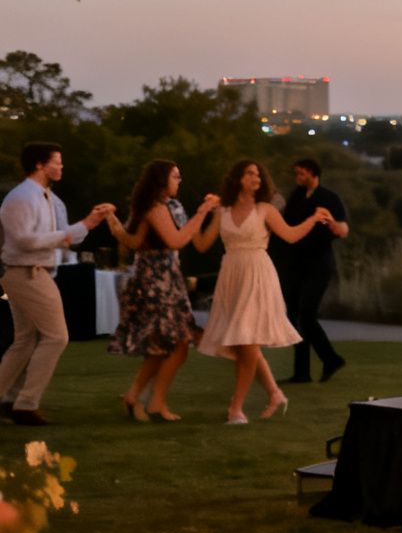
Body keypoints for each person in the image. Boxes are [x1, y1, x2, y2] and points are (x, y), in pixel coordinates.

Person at [197, 160, 328, 424]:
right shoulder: (222, 210)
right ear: (237, 179)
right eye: (249, 173)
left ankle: (236, 408)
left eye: (257, 173)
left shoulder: (265, 209)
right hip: (231, 276)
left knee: (246, 341)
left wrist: (313, 219)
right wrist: (202, 213)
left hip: (257, 274)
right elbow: (201, 244)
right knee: (243, 343)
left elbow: (290, 236)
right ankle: (275, 393)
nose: (255, 177)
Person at [0, 144, 115, 426]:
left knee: (25, 340)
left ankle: (7, 399)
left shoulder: (52, 199)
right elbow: (24, 240)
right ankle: (25, 405)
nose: (62, 167)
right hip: (25, 272)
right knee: (56, 337)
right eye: (57, 162)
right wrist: (80, 226)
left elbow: (68, 237)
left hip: (36, 272)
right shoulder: (21, 197)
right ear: (40, 165)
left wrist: (91, 222)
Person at [104, 161, 221, 422]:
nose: (179, 181)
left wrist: (217, 214)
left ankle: (141, 399)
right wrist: (203, 211)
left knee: (167, 345)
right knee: (175, 343)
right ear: (161, 180)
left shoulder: (173, 206)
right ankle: (150, 401)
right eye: (175, 176)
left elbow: (198, 243)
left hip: (170, 279)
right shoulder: (154, 208)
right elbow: (175, 240)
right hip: (154, 281)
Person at [276, 158, 351, 385]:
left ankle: (331, 359)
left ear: (312, 173)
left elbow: (343, 230)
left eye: (301, 172)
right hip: (296, 263)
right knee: (295, 315)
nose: (297, 175)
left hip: (319, 264)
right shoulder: (296, 196)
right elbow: (285, 224)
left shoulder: (329, 198)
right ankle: (302, 372)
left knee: (306, 314)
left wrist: (329, 222)